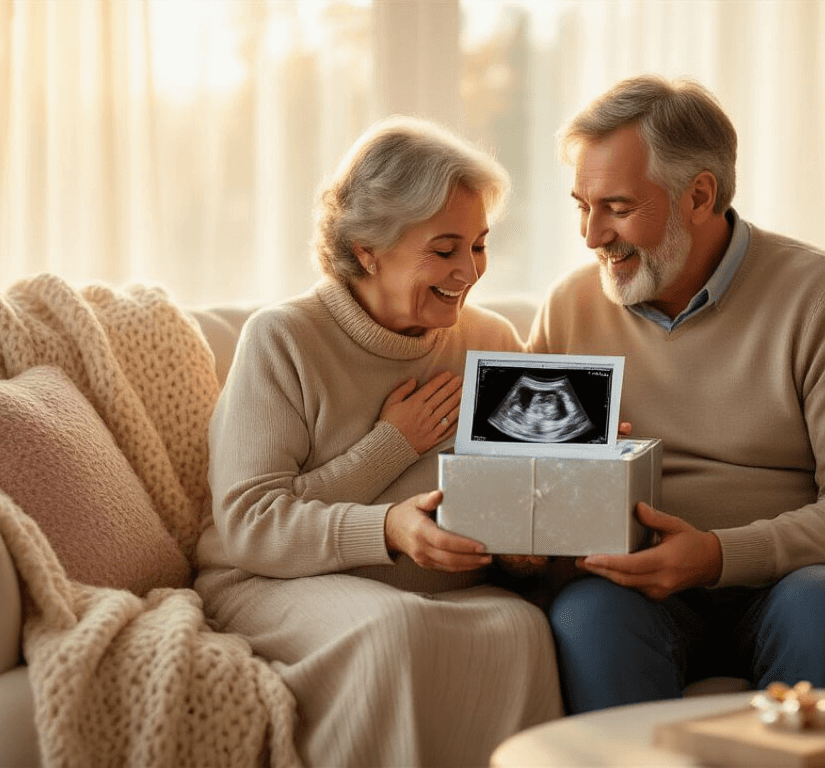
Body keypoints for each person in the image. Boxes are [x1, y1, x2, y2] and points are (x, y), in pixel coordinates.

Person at [527, 75, 825, 714]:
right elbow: (533, 482)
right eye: (582, 206)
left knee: (819, 606)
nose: (593, 236)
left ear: (698, 195)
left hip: (797, 580)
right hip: (642, 592)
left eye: (617, 207)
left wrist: (718, 555)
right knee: (589, 613)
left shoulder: (824, 295)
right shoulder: (572, 305)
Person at [195, 115, 562, 767]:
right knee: (395, 630)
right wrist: (390, 470)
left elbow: (513, 501)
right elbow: (251, 525)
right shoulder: (283, 339)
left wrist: (534, 534)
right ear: (367, 247)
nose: (468, 271)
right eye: (444, 249)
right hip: (270, 578)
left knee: (522, 626)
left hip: (437, 588)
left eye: (479, 245)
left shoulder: (493, 342)